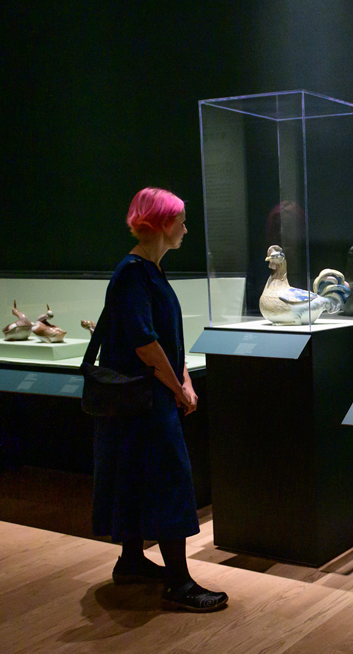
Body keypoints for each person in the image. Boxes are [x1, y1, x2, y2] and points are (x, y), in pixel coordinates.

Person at [92, 187, 228, 612]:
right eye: (182, 221)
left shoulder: (148, 270)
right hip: (145, 401)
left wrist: (182, 376)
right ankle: (178, 582)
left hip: (147, 398)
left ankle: (131, 561)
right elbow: (146, 344)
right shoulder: (134, 273)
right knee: (170, 480)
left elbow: (163, 341)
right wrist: (178, 386)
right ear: (163, 223)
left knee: (136, 477)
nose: (187, 229)